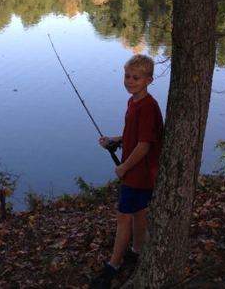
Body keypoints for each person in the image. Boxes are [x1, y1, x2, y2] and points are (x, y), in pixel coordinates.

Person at [90, 54, 164, 289]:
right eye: (127, 76)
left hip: (140, 172)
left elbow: (144, 146)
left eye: (136, 78)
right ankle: (137, 250)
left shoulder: (148, 107)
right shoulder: (133, 102)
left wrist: (123, 167)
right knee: (139, 212)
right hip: (138, 170)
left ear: (149, 80)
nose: (130, 81)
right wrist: (116, 139)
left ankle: (112, 266)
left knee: (124, 216)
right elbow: (136, 136)